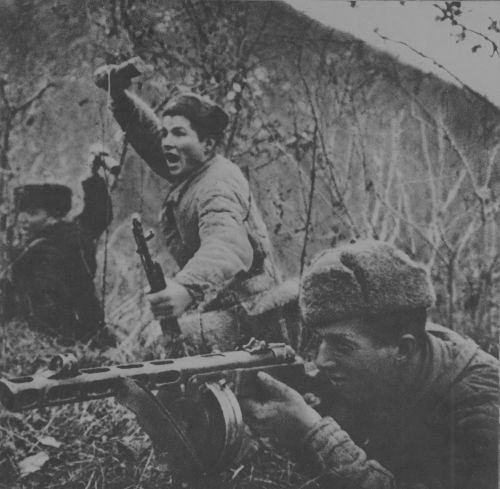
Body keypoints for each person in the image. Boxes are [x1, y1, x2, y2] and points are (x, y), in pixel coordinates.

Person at [241, 240, 499, 489]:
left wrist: (311, 432)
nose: (320, 359)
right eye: (320, 340)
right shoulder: (390, 357)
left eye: (342, 345)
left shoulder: (482, 410)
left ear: (402, 348)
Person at [94, 59, 281, 350]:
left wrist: (186, 287)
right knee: (148, 341)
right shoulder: (195, 167)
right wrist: (119, 95)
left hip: (254, 314)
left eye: (179, 134)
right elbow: (150, 138)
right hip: (222, 304)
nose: (167, 142)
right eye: (167, 133)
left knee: (161, 345)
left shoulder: (216, 185)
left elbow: (228, 244)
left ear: (207, 144)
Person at [1, 150, 115, 344]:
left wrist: (93, 177)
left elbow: (98, 214)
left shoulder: (66, 240)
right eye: (21, 213)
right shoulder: (28, 243)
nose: (23, 220)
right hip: (71, 333)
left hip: (65, 336)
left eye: (33, 213)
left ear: (53, 215)